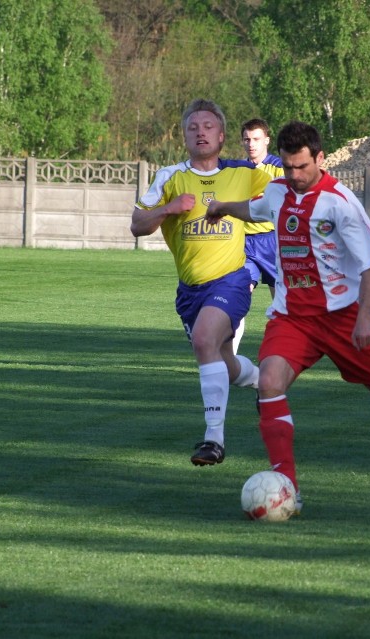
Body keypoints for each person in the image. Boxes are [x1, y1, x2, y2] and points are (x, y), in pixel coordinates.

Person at [205, 121, 370, 511]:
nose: (295, 175)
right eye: (288, 167)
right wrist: (220, 207)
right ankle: (287, 484)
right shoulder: (277, 192)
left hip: (342, 317)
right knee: (269, 382)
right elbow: (252, 209)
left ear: (320, 159)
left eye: (302, 167)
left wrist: (365, 319)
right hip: (292, 319)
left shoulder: (340, 202)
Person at [130, 99, 272, 467]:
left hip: (232, 280)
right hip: (189, 290)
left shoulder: (244, 173)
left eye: (208, 126)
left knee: (206, 341)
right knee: (220, 359)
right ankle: (260, 380)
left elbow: (286, 185)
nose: (201, 133)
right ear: (185, 136)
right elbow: (137, 224)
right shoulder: (170, 177)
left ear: (222, 136)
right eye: (193, 128)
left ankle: (214, 439)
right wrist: (168, 209)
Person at [232, 118, 283, 354]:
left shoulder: (279, 168)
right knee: (238, 297)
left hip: (273, 242)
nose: (251, 144)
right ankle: (229, 357)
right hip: (244, 245)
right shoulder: (237, 171)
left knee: (281, 303)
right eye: (246, 139)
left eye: (256, 139)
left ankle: (282, 353)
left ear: (267, 140)